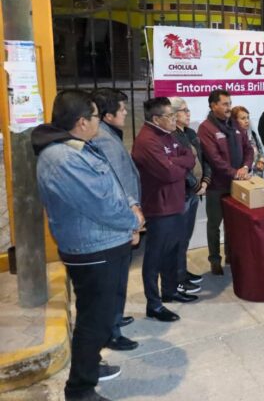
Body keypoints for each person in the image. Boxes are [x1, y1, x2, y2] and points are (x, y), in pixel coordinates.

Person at [32, 90, 143, 401]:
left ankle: (90, 365)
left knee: (98, 316)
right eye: (96, 117)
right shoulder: (63, 158)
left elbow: (111, 185)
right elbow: (102, 204)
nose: (99, 122)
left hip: (104, 244)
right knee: (95, 321)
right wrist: (133, 221)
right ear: (82, 122)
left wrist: (131, 207)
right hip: (94, 249)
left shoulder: (77, 147)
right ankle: (80, 389)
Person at [132, 97, 197, 322]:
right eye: (169, 116)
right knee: (155, 256)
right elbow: (168, 173)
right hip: (159, 207)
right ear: (156, 118)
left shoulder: (168, 134)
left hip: (176, 202)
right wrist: (178, 164)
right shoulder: (147, 141)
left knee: (172, 251)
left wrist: (175, 162)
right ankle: (154, 304)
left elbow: (190, 156)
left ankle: (169, 291)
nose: (174, 119)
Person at [91, 88, 141, 352]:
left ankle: (116, 318)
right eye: (121, 109)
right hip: (120, 220)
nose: (126, 112)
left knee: (119, 278)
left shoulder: (108, 134)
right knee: (113, 280)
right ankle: (111, 332)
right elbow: (118, 184)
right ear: (107, 115)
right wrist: (133, 219)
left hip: (121, 219)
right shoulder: (104, 139)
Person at [198, 89, 253, 275]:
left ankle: (231, 255)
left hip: (237, 184)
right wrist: (234, 173)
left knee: (233, 223)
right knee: (214, 225)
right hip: (217, 186)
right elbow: (214, 159)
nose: (229, 107)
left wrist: (245, 167)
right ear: (213, 106)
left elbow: (248, 149)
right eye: (225, 104)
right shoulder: (206, 128)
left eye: (230, 103)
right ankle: (215, 260)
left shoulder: (235, 124)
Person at [169, 97, 210, 295]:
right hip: (182, 194)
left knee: (185, 238)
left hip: (195, 193)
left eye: (188, 110)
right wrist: (195, 184)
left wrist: (206, 181)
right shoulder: (170, 137)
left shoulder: (191, 133)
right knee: (178, 239)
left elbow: (204, 158)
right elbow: (178, 167)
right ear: (173, 114)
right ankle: (177, 278)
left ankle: (182, 271)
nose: (188, 113)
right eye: (184, 110)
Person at [231, 105, 264, 178]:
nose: (247, 121)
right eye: (243, 118)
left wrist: (261, 161)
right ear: (234, 121)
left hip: (257, 176)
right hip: (241, 178)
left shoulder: (252, 134)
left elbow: (260, 151)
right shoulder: (231, 138)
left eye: (248, 117)